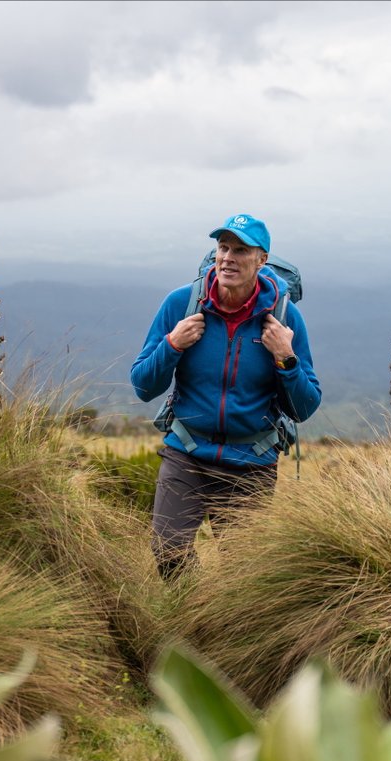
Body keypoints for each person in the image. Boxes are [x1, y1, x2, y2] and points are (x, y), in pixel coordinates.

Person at [131, 213, 322, 580]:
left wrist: (286, 357)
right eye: (222, 247)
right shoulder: (182, 304)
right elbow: (143, 385)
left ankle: (221, 631)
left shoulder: (284, 317)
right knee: (168, 551)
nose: (228, 257)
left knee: (241, 576)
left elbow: (305, 407)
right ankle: (191, 620)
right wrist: (173, 344)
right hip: (187, 451)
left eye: (240, 250)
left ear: (261, 260)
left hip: (250, 461)